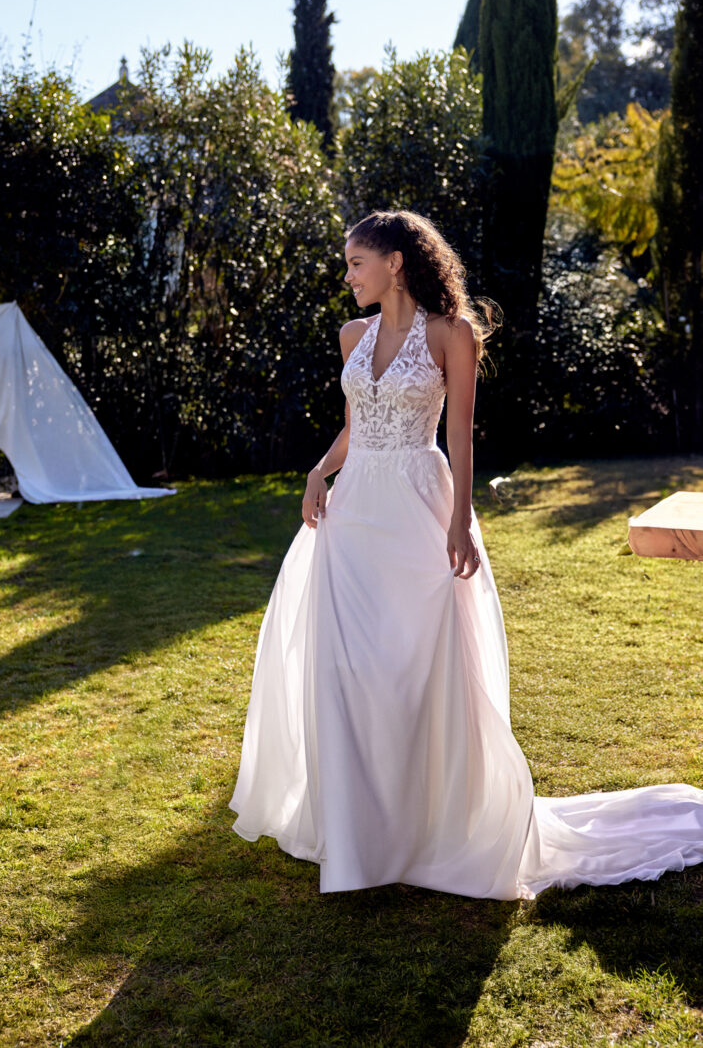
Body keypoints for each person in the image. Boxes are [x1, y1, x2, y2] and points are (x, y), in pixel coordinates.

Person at [228, 209, 703, 900]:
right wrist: (317, 471)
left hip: (417, 506)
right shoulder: (352, 335)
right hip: (353, 513)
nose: (348, 276)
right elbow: (357, 426)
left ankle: (432, 824)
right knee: (349, 666)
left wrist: (459, 522)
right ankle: (360, 831)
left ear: (395, 262)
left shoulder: (451, 334)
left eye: (356, 262)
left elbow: (459, 437)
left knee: (418, 663)